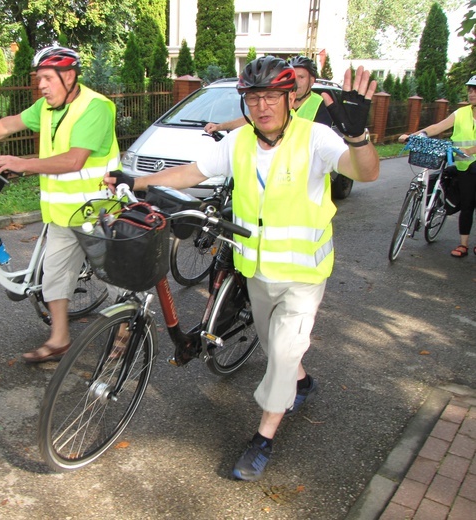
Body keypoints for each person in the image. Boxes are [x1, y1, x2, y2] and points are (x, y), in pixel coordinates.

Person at [105, 56, 380, 481]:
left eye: (271, 96)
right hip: (257, 268)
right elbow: (194, 171)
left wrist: (358, 136)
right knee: (275, 345)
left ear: (290, 97)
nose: (262, 106)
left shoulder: (317, 137)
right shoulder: (239, 143)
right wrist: (135, 180)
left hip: (305, 273)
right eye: (253, 98)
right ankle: (302, 384)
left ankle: (263, 438)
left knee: (285, 350)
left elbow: (367, 172)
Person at [0, 46, 120, 363]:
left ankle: (126, 331)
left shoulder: (95, 107)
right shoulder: (48, 108)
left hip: (97, 211)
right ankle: (59, 339)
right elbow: (9, 124)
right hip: (63, 213)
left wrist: (22, 163)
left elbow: (74, 160)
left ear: (68, 77)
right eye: (40, 79)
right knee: (54, 276)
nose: (42, 86)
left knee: (114, 275)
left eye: (48, 78)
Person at [399, 75, 476, 258]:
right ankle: (463, 244)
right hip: (464, 167)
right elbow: (437, 127)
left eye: (475, 90)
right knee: (467, 204)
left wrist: (470, 150)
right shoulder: (461, 113)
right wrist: (415, 135)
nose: (472, 93)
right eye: (470, 89)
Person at [204, 54, 332, 134]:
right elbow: (250, 119)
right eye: (293, 77)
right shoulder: (278, 100)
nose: (296, 82)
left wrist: (352, 140)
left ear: (312, 80)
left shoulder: (321, 105)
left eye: (301, 77)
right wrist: (219, 126)